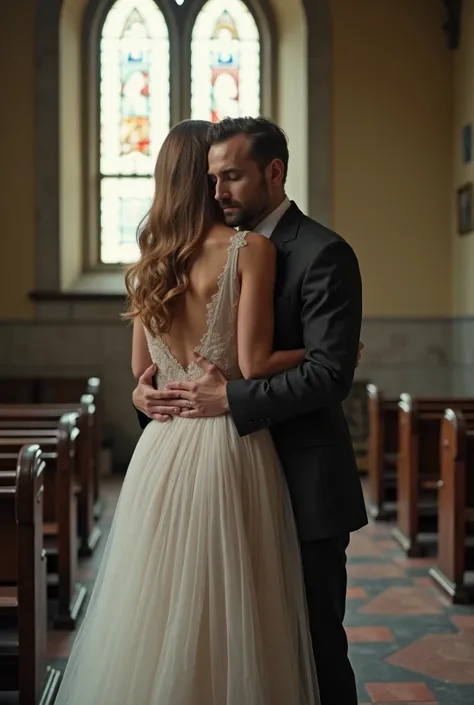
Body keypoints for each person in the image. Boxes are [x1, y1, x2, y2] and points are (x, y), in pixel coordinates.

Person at [53, 119, 319, 705]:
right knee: (232, 607)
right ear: (205, 179)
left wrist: (141, 395)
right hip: (227, 445)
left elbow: (139, 372)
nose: (226, 185)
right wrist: (323, 353)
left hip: (160, 449)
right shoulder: (250, 249)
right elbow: (251, 364)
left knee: (159, 604)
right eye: (218, 172)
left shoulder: (151, 260)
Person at [133, 116, 368, 705]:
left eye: (232, 177)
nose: (220, 192)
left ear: (274, 172)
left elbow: (329, 376)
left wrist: (229, 398)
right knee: (209, 636)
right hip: (214, 476)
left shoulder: (322, 251)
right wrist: (145, 395)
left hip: (303, 480)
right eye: (212, 179)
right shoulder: (198, 253)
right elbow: (163, 370)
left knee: (314, 645)